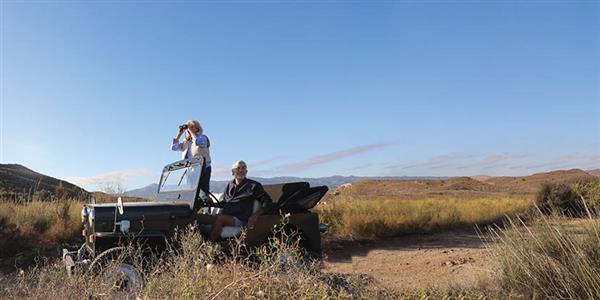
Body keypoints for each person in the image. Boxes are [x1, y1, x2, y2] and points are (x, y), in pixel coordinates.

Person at [197, 160, 273, 241]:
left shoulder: (253, 186)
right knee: (200, 218)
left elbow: (268, 202)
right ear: (233, 172)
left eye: (243, 168)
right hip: (227, 216)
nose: (241, 170)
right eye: (238, 168)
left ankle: (209, 245)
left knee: (220, 218)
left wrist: (255, 216)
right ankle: (196, 240)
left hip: (240, 219)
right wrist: (212, 204)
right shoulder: (229, 186)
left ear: (246, 171)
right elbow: (224, 203)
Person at [171, 120, 212, 196]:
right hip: (191, 170)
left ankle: (205, 207)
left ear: (197, 128)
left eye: (191, 127)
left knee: (203, 194)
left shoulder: (203, 138)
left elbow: (197, 142)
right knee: (192, 193)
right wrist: (179, 134)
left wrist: (192, 133)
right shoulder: (186, 142)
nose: (189, 129)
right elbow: (174, 147)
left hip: (203, 169)